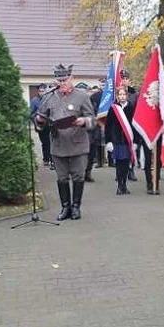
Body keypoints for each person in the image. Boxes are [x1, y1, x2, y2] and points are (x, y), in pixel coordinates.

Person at [36, 64, 96, 220]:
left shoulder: (82, 97)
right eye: (59, 80)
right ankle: (65, 207)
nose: (62, 83)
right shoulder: (48, 97)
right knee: (61, 178)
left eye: (65, 80)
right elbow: (39, 122)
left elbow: (93, 120)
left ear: (72, 79)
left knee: (78, 177)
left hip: (78, 144)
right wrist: (39, 121)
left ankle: (76, 207)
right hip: (58, 144)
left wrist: (84, 121)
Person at [104, 85, 135, 195]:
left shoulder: (131, 107)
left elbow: (133, 125)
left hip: (127, 140)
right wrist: (108, 141)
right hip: (116, 140)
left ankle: (124, 185)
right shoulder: (113, 108)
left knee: (126, 163)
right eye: (120, 94)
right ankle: (119, 186)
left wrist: (135, 141)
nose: (122, 96)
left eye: (124, 94)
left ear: (127, 96)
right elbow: (108, 125)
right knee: (119, 163)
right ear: (117, 96)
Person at [31, 84, 54, 168]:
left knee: (52, 142)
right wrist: (37, 119)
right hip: (41, 124)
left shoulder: (50, 99)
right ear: (38, 92)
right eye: (40, 91)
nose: (42, 92)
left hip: (50, 124)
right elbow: (31, 114)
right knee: (45, 142)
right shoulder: (35, 100)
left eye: (43, 91)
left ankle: (52, 160)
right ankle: (46, 159)